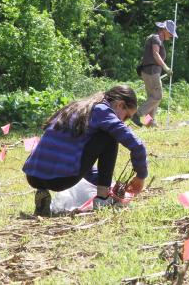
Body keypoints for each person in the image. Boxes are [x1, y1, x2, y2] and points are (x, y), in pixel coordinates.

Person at [23, 85, 148, 216]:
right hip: (60, 178)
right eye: (127, 116)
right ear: (120, 105)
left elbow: (75, 156)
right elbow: (137, 146)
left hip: (33, 176)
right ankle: (103, 199)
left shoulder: (77, 107)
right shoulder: (103, 111)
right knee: (109, 137)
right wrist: (141, 176)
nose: (124, 121)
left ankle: (42, 192)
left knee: (95, 138)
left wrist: (108, 183)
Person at [133, 20, 177, 127]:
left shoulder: (157, 39)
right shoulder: (156, 38)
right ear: (165, 30)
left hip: (150, 72)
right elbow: (156, 54)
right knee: (157, 97)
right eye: (170, 33)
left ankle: (150, 122)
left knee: (152, 98)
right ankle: (136, 114)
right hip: (151, 72)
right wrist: (165, 67)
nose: (171, 36)